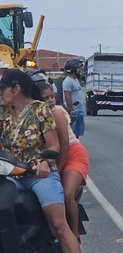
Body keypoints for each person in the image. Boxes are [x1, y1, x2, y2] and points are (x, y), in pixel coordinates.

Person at [0, 69, 95, 253]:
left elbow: (54, 146)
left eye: (3, 89)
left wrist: (44, 162)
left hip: (38, 174)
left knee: (59, 226)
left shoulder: (40, 110)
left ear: (16, 89)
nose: (0, 93)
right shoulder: (2, 113)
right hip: (11, 174)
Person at [35, 75, 90, 242]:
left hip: (72, 154)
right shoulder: (35, 115)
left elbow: (64, 144)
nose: (51, 100)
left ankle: (73, 234)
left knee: (66, 193)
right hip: (53, 157)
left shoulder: (57, 112)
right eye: (46, 98)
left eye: (52, 96)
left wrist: (58, 168)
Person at [61, 58, 86, 138]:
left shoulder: (75, 80)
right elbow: (67, 97)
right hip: (74, 111)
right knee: (73, 135)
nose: (80, 70)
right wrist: (71, 111)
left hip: (79, 111)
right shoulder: (68, 82)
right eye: (78, 68)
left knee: (77, 134)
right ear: (73, 69)